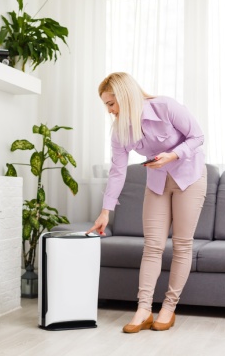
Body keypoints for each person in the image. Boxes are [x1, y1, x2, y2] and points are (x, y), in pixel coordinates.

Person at [87, 72, 207, 333]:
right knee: (152, 246)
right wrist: (105, 211)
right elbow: (117, 171)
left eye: (111, 104)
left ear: (126, 97)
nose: (109, 111)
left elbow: (198, 137)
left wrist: (173, 155)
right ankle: (143, 310)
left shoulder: (166, 107)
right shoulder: (119, 131)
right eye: (106, 105)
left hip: (189, 177)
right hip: (157, 182)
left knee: (182, 244)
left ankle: (169, 307)